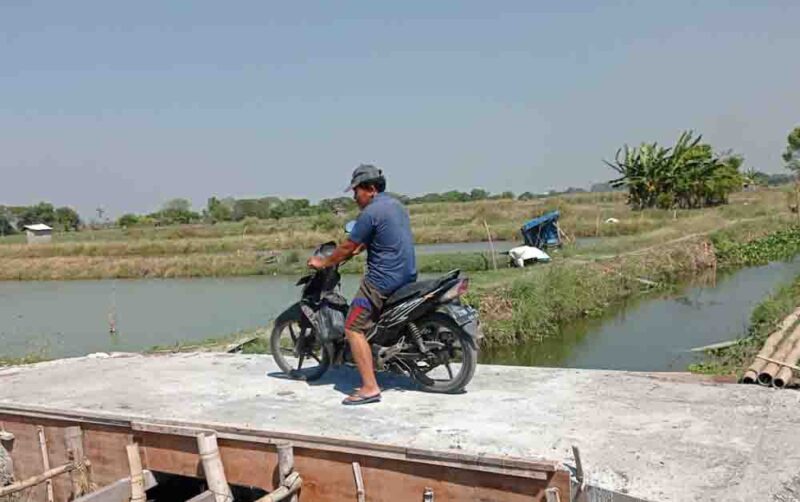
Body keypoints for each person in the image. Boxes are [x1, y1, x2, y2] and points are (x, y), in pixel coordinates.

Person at [307, 164, 417, 405]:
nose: (355, 196)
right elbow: (378, 238)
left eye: (356, 191)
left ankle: (369, 387)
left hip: (382, 281)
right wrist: (360, 249)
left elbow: (346, 246)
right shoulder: (396, 206)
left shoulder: (370, 212)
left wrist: (324, 262)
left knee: (353, 327)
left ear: (370, 189)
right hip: (407, 275)